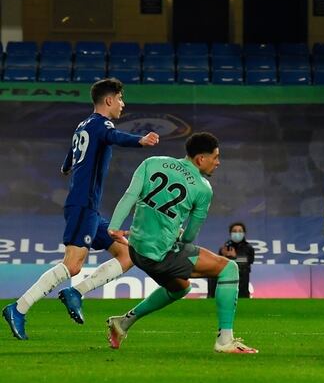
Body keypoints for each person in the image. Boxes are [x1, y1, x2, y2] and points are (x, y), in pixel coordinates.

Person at [2, 78, 159, 340]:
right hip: (83, 206)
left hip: (89, 209)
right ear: (108, 100)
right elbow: (113, 136)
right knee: (72, 265)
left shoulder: (83, 125)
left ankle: (76, 292)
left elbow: (72, 156)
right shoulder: (102, 124)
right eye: (120, 98)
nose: (123, 103)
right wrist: (140, 140)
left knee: (127, 254)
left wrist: (67, 166)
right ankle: (18, 308)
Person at [104, 132, 257, 354]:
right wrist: (179, 236)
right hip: (160, 255)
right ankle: (225, 341)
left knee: (179, 288)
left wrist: (114, 227)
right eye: (215, 157)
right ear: (200, 159)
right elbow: (190, 236)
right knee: (229, 269)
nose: (218, 162)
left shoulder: (152, 162)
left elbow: (129, 196)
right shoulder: (203, 188)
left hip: (136, 250)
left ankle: (122, 323)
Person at [208, 223, 255, 299]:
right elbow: (219, 263)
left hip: (242, 276)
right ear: (230, 233)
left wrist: (235, 257)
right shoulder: (226, 247)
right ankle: (212, 297)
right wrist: (223, 256)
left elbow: (250, 261)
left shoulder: (248, 248)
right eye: (234, 231)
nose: (237, 233)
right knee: (212, 274)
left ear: (244, 233)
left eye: (240, 231)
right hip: (226, 274)